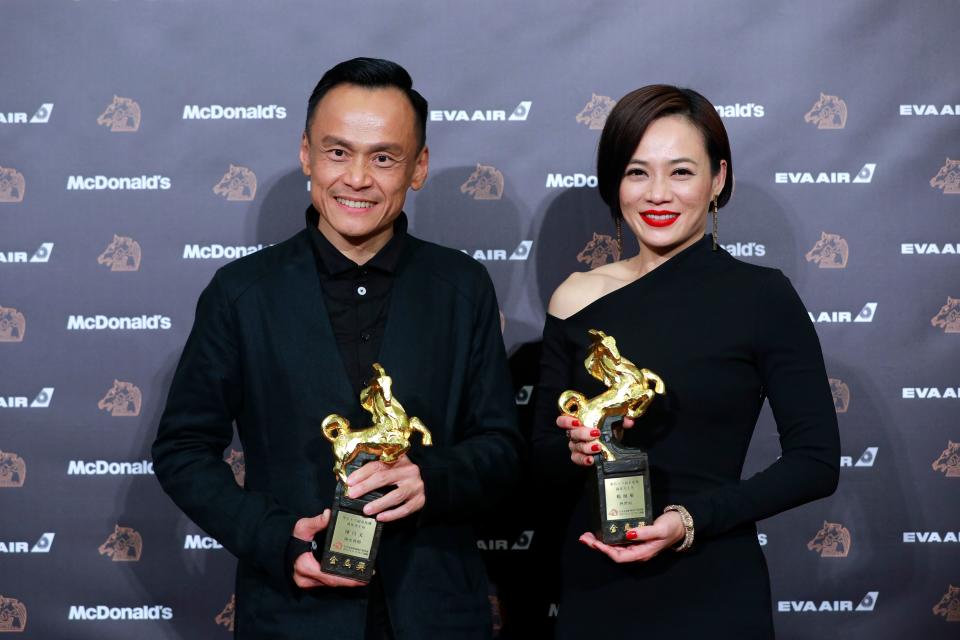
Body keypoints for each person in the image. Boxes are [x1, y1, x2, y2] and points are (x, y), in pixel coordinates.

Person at [152, 57, 521, 639]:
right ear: (306, 155)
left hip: (437, 613)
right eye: (338, 151)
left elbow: (502, 447)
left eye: (383, 157)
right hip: (291, 615)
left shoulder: (461, 287)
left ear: (418, 166)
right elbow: (183, 450)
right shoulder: (242, 293)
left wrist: (433, 477)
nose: (357, 178)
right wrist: (275, 540)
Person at [532, 85, 840, 637]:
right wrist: (573, 449)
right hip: (595, 580)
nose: (657, 194)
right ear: (614, 182)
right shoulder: (574, 297)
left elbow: (816, 461)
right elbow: (537, 459)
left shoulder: (763, 297)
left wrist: (691, 521)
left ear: (718, 179)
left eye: (680, 172)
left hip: (713, 582)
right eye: (636, 172)